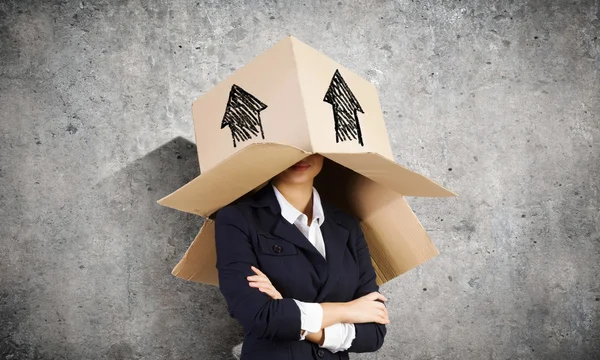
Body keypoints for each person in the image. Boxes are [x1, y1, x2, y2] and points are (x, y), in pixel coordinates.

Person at [215, 154, 389, 360]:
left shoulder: (347, 225)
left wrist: (290, 316)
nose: (301, 155)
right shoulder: (237, 219)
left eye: (310, 146)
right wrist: (347, 310)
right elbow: (258, 317)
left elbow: (373, 335)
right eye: (290, 147)